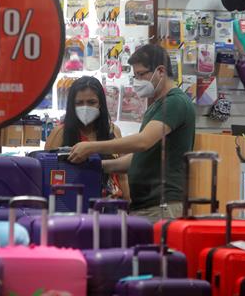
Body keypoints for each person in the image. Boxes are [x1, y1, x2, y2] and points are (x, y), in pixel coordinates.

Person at [68, 44, 196, 223]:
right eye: (135, 75)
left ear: (160, 71)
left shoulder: (175, 103)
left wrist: (91, 147)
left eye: (141, 74)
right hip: (147, 205)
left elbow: (143, 142)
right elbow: (139, 157)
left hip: (161, 205)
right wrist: (97, 164)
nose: (137, 81)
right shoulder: (156, 107)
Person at [45, 76, 129, 200]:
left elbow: (122, 175)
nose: (85, 107)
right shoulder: (60, 133)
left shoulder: (113, 131)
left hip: (111, 205)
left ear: (100, 103)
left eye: (91, 102)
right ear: (72, 105)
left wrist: (128, 201)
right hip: (73, 204)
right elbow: (47, 173)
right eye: (79, 103)